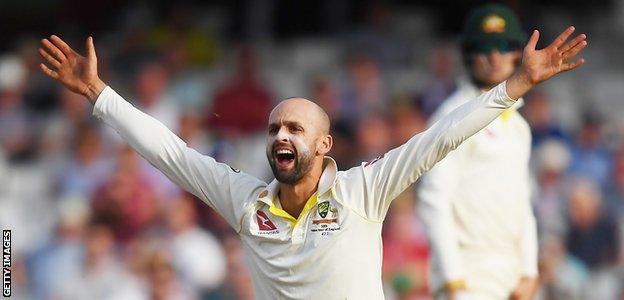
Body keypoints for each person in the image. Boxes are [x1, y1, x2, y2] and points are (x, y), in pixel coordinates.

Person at [38, 25, 586, 299]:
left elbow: (440, 138)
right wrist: (98, 93)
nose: (281, 135)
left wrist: (517, 84)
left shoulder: (362, 191)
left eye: (296, 128)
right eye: (275, 127)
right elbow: (169, 152)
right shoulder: (244, 200)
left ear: (324, 146)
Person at [417, 4, 539, 300]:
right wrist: (453, 279)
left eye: (504, 46)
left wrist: (529, 269)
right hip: (468, 273)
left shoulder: (519, 126)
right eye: (485, 48)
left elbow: (522, 202)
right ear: (468, 53)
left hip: (511, 274)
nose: (495, 57)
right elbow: (434, 200)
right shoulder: (453, 116)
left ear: (517, 52)